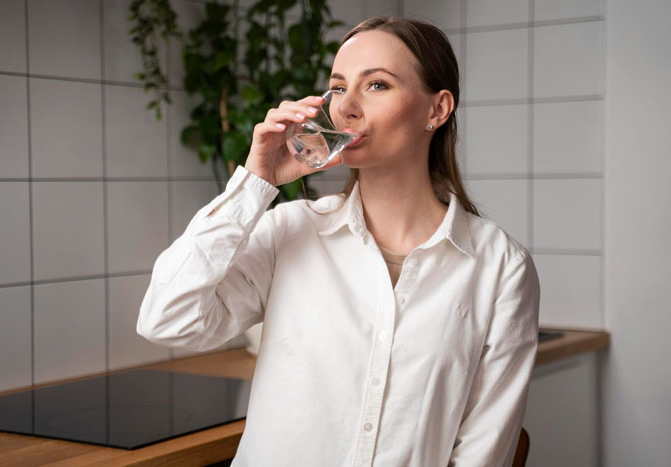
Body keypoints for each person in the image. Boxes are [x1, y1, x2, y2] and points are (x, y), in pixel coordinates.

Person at [137, 16, 540, 467]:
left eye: (377, 86)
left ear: (437, 109)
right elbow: (166, 320)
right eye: (338, 86)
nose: (346, 107)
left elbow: (483, 453)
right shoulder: (289, 231)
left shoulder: (501, 267)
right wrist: (254, 183)